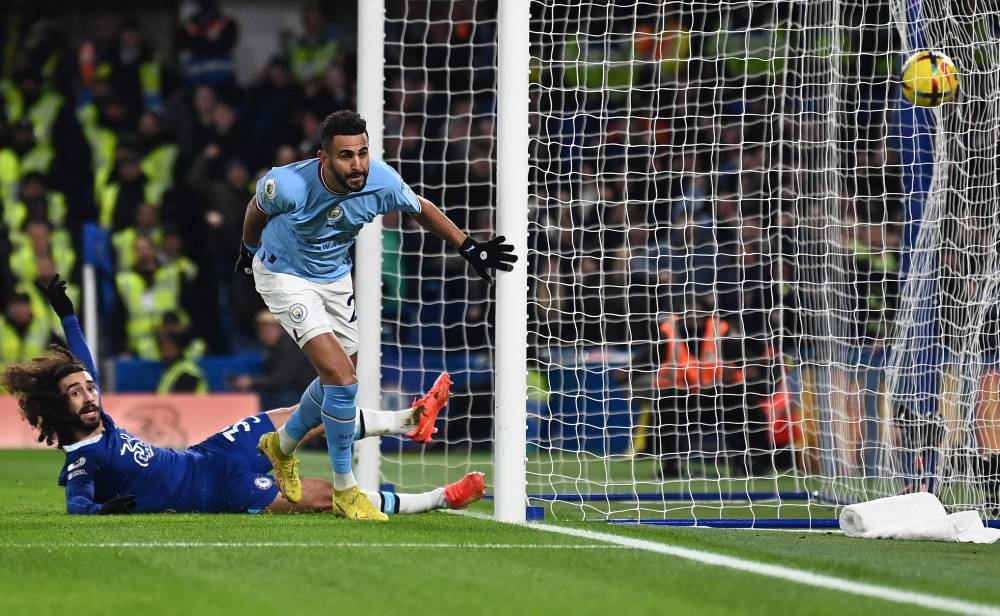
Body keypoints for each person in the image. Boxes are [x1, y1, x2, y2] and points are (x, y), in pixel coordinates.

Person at [1, 275, 485, 516]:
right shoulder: (84, 461)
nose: (89, 395)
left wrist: (66, 313)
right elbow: (78, 506)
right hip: (220, 493)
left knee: (306, 410)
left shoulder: (97, 417)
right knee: (329, 499)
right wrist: (104, 511)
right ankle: (441, 498)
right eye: (78, 393)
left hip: (212, 452)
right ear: (58, 408)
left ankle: (408, 421)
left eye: (88, 387)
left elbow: (83, 355)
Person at [235, 109, 516, 520]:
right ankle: (347, 487)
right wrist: (247, 249)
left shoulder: (380, 179)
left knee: (338, 378)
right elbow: (255, 209)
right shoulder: (289, 185)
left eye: (363, 153)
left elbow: (420, 207)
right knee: (344, 380)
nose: (358, 165)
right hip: (284, 275)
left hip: (334, 279)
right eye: (346, 156)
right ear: (324, 159)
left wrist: (468, 245)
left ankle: (281, 445)